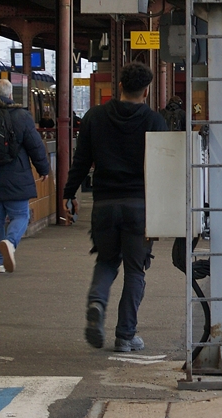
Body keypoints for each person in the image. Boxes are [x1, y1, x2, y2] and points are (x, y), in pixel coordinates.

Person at [64, 62, 167, 351]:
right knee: (136, 270)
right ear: (146, 92)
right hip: (139, 206)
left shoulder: (94, 117)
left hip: (104, 205)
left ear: (119, 87)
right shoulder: (154, 121)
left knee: (107, 260)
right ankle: (125, 335)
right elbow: (163, 170)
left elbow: (81, 160)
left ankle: (97, 302)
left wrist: (69, 193)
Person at [0, 79, 52, 273]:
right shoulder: (22, 116)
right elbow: (35, 146)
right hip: (16, 177)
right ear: (10, 96)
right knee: (21, 215)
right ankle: (10, 243)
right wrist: (43, 169)